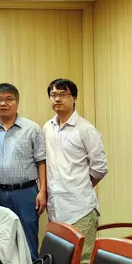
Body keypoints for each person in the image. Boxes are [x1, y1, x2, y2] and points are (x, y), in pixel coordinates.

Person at [44, 79, 108, 264]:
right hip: (55, 209)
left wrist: (80, 186)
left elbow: (100, 167)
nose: (57, 99)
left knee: (81, 259)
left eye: (63, 95)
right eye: (53, 95)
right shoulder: (47, 127)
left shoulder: (86, 129)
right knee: (59, 259)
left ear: (74, 98)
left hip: (80, 209)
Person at [0, 83, 46, 261]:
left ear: (17, 102)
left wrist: (42, 191)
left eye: (9, 99)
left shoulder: (32, 129)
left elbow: (41, 162)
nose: (3, 103)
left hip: (25, 193)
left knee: (28, 242)